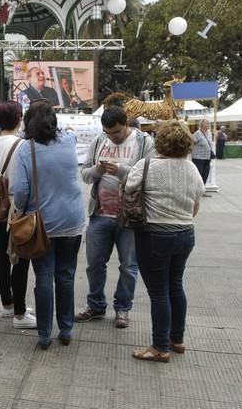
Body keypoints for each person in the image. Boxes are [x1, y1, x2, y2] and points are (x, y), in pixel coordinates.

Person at [126, 120, 205, 362]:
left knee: (159, 291)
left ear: (160, 141)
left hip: (155, 234)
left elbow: (129, 187)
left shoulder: (147, 164)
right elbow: (197, 200)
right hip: (185, 233)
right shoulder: (191, 169)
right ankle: (177, 339)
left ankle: (159, 347)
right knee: (176, 285)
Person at [13, 100, 85, 349]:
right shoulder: (69, 141)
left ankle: (44, 334)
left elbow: (20, 191)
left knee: (43, 277)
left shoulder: (25, 149)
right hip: (73, 220)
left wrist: (22, 210)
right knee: (66, 275)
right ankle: (66, 329)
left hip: (43, 224)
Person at [76, 105, 154, 328]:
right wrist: (98, 171)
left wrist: (120, 169)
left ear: (126, 124)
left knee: (129, 266)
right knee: (94, 264)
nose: (112, 137)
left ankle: (122, 308)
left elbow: (149, 176)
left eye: (117, 133)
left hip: (130, 215)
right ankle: (96, 306)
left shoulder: (143, 142)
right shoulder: (100, 141)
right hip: (100, 213)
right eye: (108, 133)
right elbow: (85, 175)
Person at [0, 101, 36, 329]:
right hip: (16, 207)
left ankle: (8, 304)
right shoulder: (22, 145)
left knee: (2, 255)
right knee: (21, 259)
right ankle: (20, 315)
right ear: (19, 119)